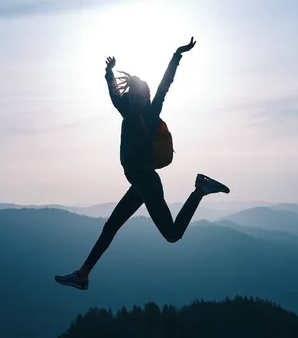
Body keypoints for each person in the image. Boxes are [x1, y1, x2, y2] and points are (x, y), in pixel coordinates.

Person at [55, 37, 230, 290]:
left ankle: (200, 190)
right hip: (138, 183)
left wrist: (177, 55)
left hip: (146, 183)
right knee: (110, 227)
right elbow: (114, 95)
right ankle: (83, 275)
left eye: (139, 96)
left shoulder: (150, 113)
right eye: (133, 96)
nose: (134, 99)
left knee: (172, 235)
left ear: (146, 98)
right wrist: (108, 73)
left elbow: (164, 85)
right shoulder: (127, 114)